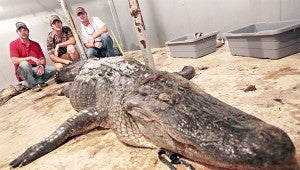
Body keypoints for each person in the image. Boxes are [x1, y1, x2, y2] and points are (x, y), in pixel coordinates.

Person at [9, 22, 56, 92]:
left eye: (24, 30)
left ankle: (31, 83)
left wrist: (42, 66)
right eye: (20, 31)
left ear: (28, 31)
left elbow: (42, 59)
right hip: (23, 70)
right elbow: (14, 60)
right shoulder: (13, 44)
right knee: (25, 64)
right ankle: (34, 86)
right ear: (17, 32)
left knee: (53, 70)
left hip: (35, 69)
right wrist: (30, 58)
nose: (23, 32)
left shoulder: (36, 44)